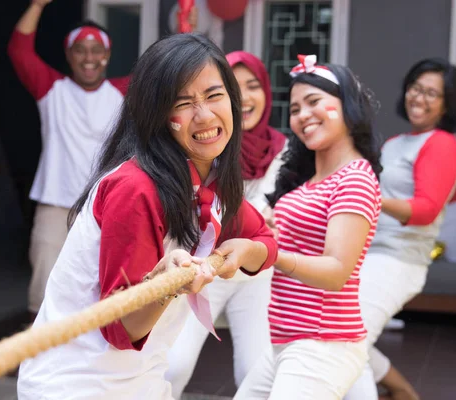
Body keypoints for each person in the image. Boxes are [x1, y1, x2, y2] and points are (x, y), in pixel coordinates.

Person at [16, 33, 278, 400]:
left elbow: (265, 239)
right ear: (155, 115)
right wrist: (169, 282)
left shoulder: (211, 180)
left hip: (142, 381)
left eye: (214, 95)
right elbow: (122, 329)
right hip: (76, 385)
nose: (204, 115)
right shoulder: (135, 188)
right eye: (183, 103)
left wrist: (241, 254)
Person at [234, 55, 383, 400]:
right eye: (296, 108)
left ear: (347, 105)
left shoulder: (355, 178)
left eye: (314, 102)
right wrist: (271, 233)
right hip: (288, 341)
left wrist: (270, 253)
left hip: (321, 343)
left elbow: (335, 272)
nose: (303, 115)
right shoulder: (309, 182)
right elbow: (301, 245)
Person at [344, 58, 456, 400]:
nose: (420, 97)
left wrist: (371, 195)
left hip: (398, 261)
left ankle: (397, 389)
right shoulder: (397, 143)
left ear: (448, 104)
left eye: (433, 93)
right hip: (368, 255)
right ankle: (401, 390)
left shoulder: (442, 144)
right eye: (417, 88)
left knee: (345, 340)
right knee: (336, 333)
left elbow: (425, 210)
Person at [166, 50, 286, 398]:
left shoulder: (285, 150)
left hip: (255, 269)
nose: (246, 97)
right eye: (234, 87)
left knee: (256, 371)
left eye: (253, 86)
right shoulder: (205, 142)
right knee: (173, 364)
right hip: (201, 266)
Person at [7, 0, 128, 318]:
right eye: (80, 50)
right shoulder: (51, 87)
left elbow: (166, 75)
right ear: (69, 56)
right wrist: (37, 5)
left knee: (100, 289)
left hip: (105, 208)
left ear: (107, 56)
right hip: (55, 205)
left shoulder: (123, 92)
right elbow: (19, 50)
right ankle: (38, 358)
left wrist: (186, 26)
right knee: (44, 289)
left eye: (96, 50)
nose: (89, 58)